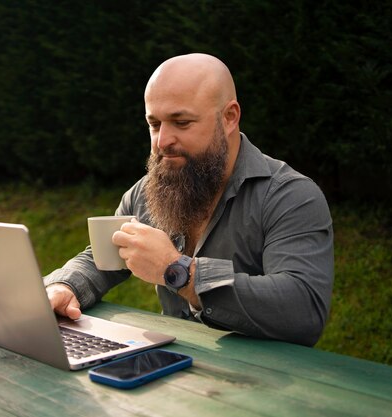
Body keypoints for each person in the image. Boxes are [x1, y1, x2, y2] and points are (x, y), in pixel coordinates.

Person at [44, 53, 334, 346]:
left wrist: (178, 271)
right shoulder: (149, 190)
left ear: (229, 117)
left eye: (181, 122)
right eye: (154, 124)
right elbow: (102, 256)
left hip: (266, 382)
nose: (162, 141)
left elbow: (302, 308)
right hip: (170, 373)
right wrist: (64, 286)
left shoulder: (290, 196)